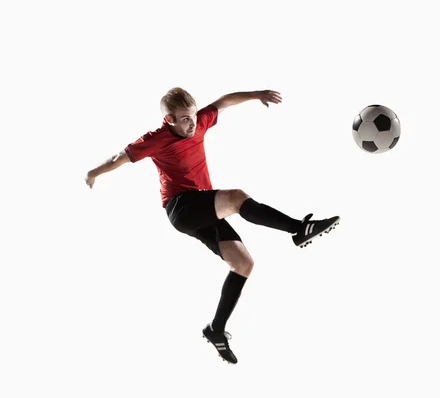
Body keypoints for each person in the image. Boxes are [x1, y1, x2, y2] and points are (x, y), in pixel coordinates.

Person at [84, 87, 340, 364]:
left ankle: (216, 330)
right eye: (184, 119)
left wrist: (257, 94)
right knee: (237, 197)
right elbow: (118, 158)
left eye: (193, 116)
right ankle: (297, 229)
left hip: (203, 208)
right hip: (181, 207)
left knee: (243, 264)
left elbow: (223, 102)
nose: (191, 123)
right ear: (169, 119)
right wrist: (92, 173)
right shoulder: (155, 139)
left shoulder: (199, 121)